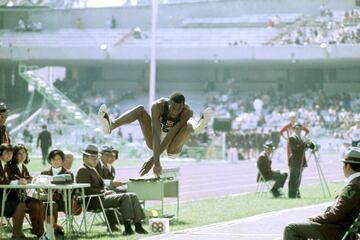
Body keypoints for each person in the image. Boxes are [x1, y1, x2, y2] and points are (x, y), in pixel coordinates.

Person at [98, 92, 212, 176]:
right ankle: (111, 126)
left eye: (179, 109)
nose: (175, 112)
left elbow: (171, 135)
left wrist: (153, 161)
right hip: (154, 142)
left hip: (172, 145)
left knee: (187, 125)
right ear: (169, 103)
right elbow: (156, 135)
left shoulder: (187, 112)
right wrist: (156, 163)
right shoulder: (157, 106)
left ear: (183, 106)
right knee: (140, 110)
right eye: (173, 108)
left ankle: (196, 128)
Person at [284, 147, 360, 240]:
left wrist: (315, 219)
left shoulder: (353, 187)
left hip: (335, 231)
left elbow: (336, 214)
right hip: (343, 229)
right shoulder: (356, 184)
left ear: (347, 166)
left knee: (291, 228)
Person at [76, 144, 148, 235]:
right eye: (92, 158)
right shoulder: (83, 170)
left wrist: (106, 190)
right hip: (93, 201)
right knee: (125, 197)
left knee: (132, 195)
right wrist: (104, 192)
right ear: (85, 158)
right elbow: (87, 190)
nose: (95, 160)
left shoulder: (92, 169)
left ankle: (138, 225)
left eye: (96, 158)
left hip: (100, 198)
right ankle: (128, 228)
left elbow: (101, 185)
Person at [8, 144, 47, 239]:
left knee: (39, 203)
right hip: (12, 196)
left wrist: (30, 180)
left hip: (23, 196)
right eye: (19, 154)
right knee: (28, 204)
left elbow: (27, 179)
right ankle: (30, 231)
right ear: (14, 155)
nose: (22, 155)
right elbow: (12, 181)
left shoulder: (24, 167)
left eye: (24, 153)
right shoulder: (10, 166)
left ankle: (39, 231)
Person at [41, 149, 74, 236]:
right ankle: (47, 230)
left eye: (58, 159)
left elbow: (71, 191)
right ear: (50, 160)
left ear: (62, 160)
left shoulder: (68, 173)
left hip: (64, 201)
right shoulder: (44, 173)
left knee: (52, 204)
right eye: (53, 159)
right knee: (47, 204)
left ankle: (52, 230)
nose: (56, 161)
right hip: (45, 200)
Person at [0, 144, 26, 240]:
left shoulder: (6, 165)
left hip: (5, 197)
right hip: (2, 199)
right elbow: (3, 181)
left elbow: (11, 179)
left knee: (23, 203)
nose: (9, 155)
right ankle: (17, 234)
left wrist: (19, 181)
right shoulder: (5, 165)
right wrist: (17, 181)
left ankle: (18, 234)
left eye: (10, 153)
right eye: (6, 153)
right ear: (0, 153)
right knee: (21, 204)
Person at [288, 122, 307, 198]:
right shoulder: (292, 137)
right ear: (294, 129)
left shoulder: (301, 137)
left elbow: (302, 148)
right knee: (293, 178)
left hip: (301, 161)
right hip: (295, 161)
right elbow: (296, 148)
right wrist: (304, 144)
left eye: (300, 128)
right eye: (297, 128)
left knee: (298, 178)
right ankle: (291, 195)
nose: (298, 130)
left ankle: (296, 193)